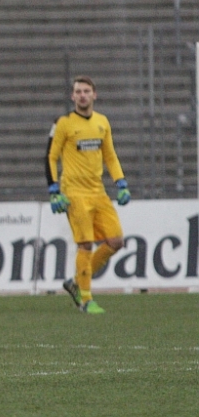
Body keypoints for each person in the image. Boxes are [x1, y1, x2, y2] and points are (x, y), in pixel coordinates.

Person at [46, 75, 130, 315]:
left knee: (116, 241)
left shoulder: (102, 122)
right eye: (78, 92)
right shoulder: (64, 123)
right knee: (85, 244)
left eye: (86, 91)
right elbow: (51, 157)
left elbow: (110, 156)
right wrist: (54, 189)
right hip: (74, 193)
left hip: (98, 191)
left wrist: (121, 182)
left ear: (94, 95)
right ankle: (85, 299)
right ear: (72, 96)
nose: (82, 95)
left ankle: (76, 281)